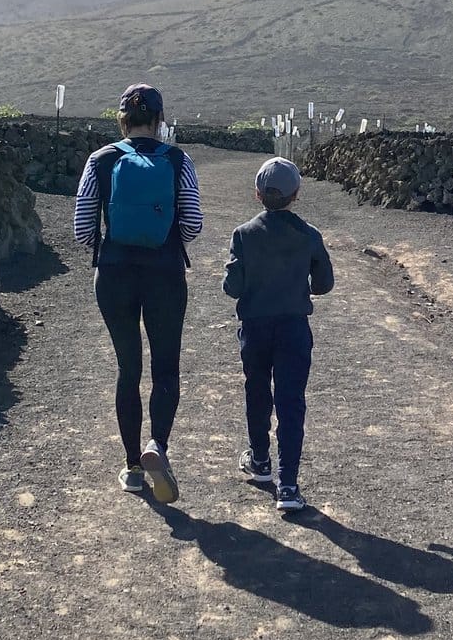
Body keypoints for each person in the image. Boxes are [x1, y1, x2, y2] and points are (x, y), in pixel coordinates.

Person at [75, 85, 202, 502]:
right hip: (164, 274)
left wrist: (110, 244)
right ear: (160, 120)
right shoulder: (179, 160)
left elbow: (81, 229)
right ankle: (157, 446)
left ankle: (132, 467)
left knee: (128, 370)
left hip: (113, 275)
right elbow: (192, 225)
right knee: (166, 368)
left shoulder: (101, 159)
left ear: (122, 119)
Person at [222, 156, 334, 515]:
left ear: (257, 194)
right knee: (290, 401)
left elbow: (232, 287)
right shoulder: (309, 235)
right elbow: (325, 283)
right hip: (293, 328)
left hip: (254, 328)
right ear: (296, 195)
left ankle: (260, 461)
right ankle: (288, 484)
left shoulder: (243, 234)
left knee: (257, 391)